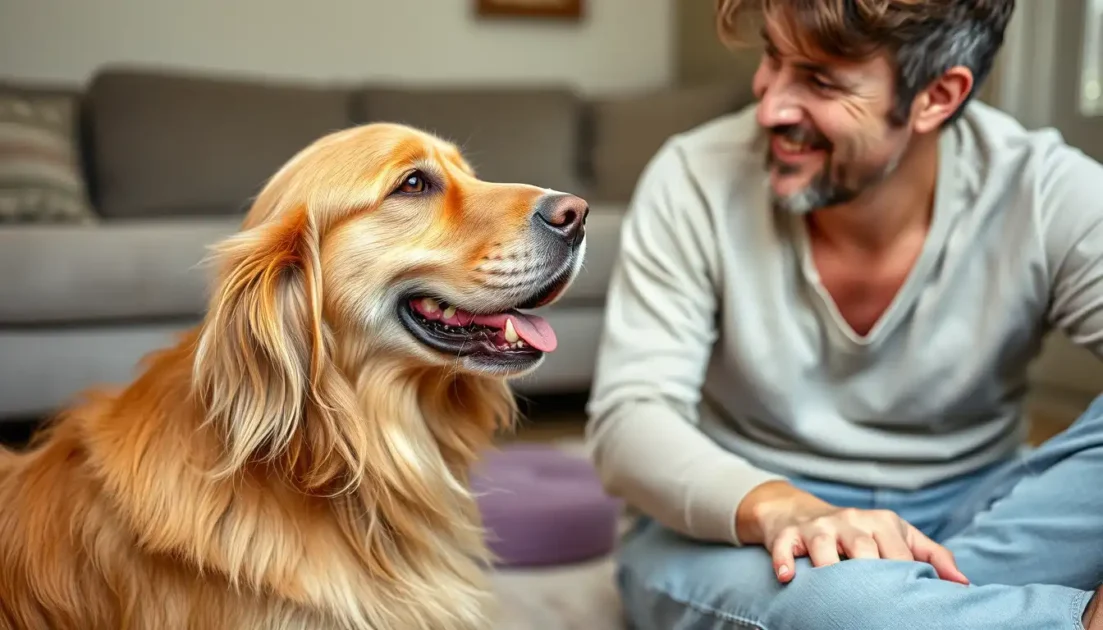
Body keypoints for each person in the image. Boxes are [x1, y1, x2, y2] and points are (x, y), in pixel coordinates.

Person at [584, 0, 1103, 627]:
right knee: (842, 604)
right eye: (772, 55)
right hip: (750, 533)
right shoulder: (694, 176)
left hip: (983, 517)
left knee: (866, 609)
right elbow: (629, 420)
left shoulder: (1043, 190)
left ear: (937, 96)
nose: (769, 104)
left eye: (822, 81)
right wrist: (784, 508)